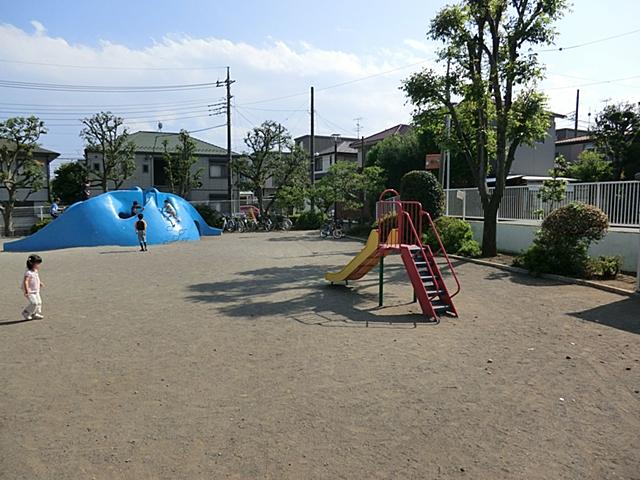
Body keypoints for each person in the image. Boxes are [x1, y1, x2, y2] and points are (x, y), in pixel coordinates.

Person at [22, 254, 44, 320]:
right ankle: (26, 313)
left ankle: (34, 314)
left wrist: (40, 282)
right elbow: (25, 281)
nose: (38, 265)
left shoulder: (35, 271)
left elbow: (36, 278)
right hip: (30, 291)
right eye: (37, 264)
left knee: (39, 302)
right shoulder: (28, 272)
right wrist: (26, 290)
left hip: (36, 290)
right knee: (34, 303)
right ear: (32, 264)